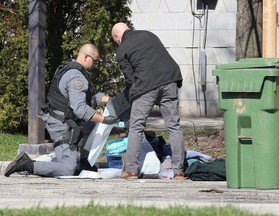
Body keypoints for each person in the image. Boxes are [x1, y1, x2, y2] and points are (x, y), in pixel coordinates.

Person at [5, 43, 119, 177]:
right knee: (67, 169)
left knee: (90, 125)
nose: (95, 65)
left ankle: (85, 163)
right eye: (95, 61)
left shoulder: (70, 68)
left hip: (60, 120)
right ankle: (27, 164)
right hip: (62, 126)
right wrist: (104, 119)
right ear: (86, 57)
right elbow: (80, 109)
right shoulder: (77, 77)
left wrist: (110, 100)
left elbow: (91, 95)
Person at [111, 23, 186, 180]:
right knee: (174, 127)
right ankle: (178, 171)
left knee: (136, 127)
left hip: (146, 85)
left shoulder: (122, 49)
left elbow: (130, 78)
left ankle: (131, 170)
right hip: (170, 79)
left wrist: (132, 95)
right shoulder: (148, 34)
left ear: (118, 37)